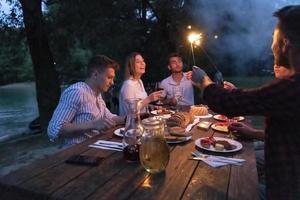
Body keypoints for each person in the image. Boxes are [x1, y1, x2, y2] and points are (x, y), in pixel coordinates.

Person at [192, 5, 300, 199]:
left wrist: (203, 81)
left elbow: (227, 103)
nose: (271, 46)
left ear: (286, 43)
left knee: (216, 190)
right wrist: (252, 132)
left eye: (274, 39)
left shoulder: (294, 88)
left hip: (286, 193)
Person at [48, 55, 125, 147]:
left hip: (94, 148)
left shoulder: (97, 94)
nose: (112, 82)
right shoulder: (76, 92)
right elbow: (53, 129)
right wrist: (93, 124)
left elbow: (109, 118)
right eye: (109, 77)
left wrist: (130, 118)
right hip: (76, 153)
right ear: (95, 74)